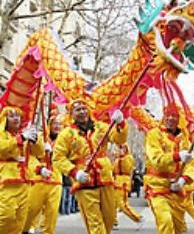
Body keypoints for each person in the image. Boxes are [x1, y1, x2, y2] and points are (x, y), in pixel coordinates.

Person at [53, 98, 128, 234]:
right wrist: (75, 172)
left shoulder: (102, 127)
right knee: (95, 222)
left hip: (105, 178)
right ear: (71, 114)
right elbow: (58, 158)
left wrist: (120, 124)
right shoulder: (66, 134)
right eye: (77, 110)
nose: (82, 112)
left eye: (84, 108)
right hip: (84, 180)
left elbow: (119, 139)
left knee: (109, 219)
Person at [144, 104, 194, 234]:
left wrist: (183, 180)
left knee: (179, 228)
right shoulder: (154, 135)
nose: (171, 118)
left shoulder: (184, 138)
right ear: (163, 116)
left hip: (177, 189)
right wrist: (177, 156)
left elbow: (190, 164)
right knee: (165, 222)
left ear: (179, 119)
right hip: (157, 187)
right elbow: (156, 160)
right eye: (168, 115)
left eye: (174, 116)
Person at [0, 106, 37, 233]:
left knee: (20, 219)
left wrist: (36, 139)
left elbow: (39, 153)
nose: (16, 118)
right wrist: (20, 138)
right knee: (6, 215)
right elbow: (2, 148)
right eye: (12, 116)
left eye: (18, 116)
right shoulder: (2, 133)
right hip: (6, 179)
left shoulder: (24, 134)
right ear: (5, 119)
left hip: (24, 180)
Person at [23, 115, 62, 234]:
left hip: (56, 180)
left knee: (52, 212)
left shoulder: (64, 140)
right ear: (49, 126)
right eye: (54, 123)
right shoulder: (40, 138)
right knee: (32, 209)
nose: (57, 126)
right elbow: (29, 156)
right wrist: (39, 168)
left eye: (59, 124)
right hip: (38, 178)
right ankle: (24, 229)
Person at [113, 143, 143, 227]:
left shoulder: (128, 158)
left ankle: (138, 218)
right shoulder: (117, 159)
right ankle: (114, 221)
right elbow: (113, 169)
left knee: (122, 204)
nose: (119, 150)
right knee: (114, 203)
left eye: (122, 148)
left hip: (123, 182)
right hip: (116, 181)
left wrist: (120, 157)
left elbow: (127, 167)